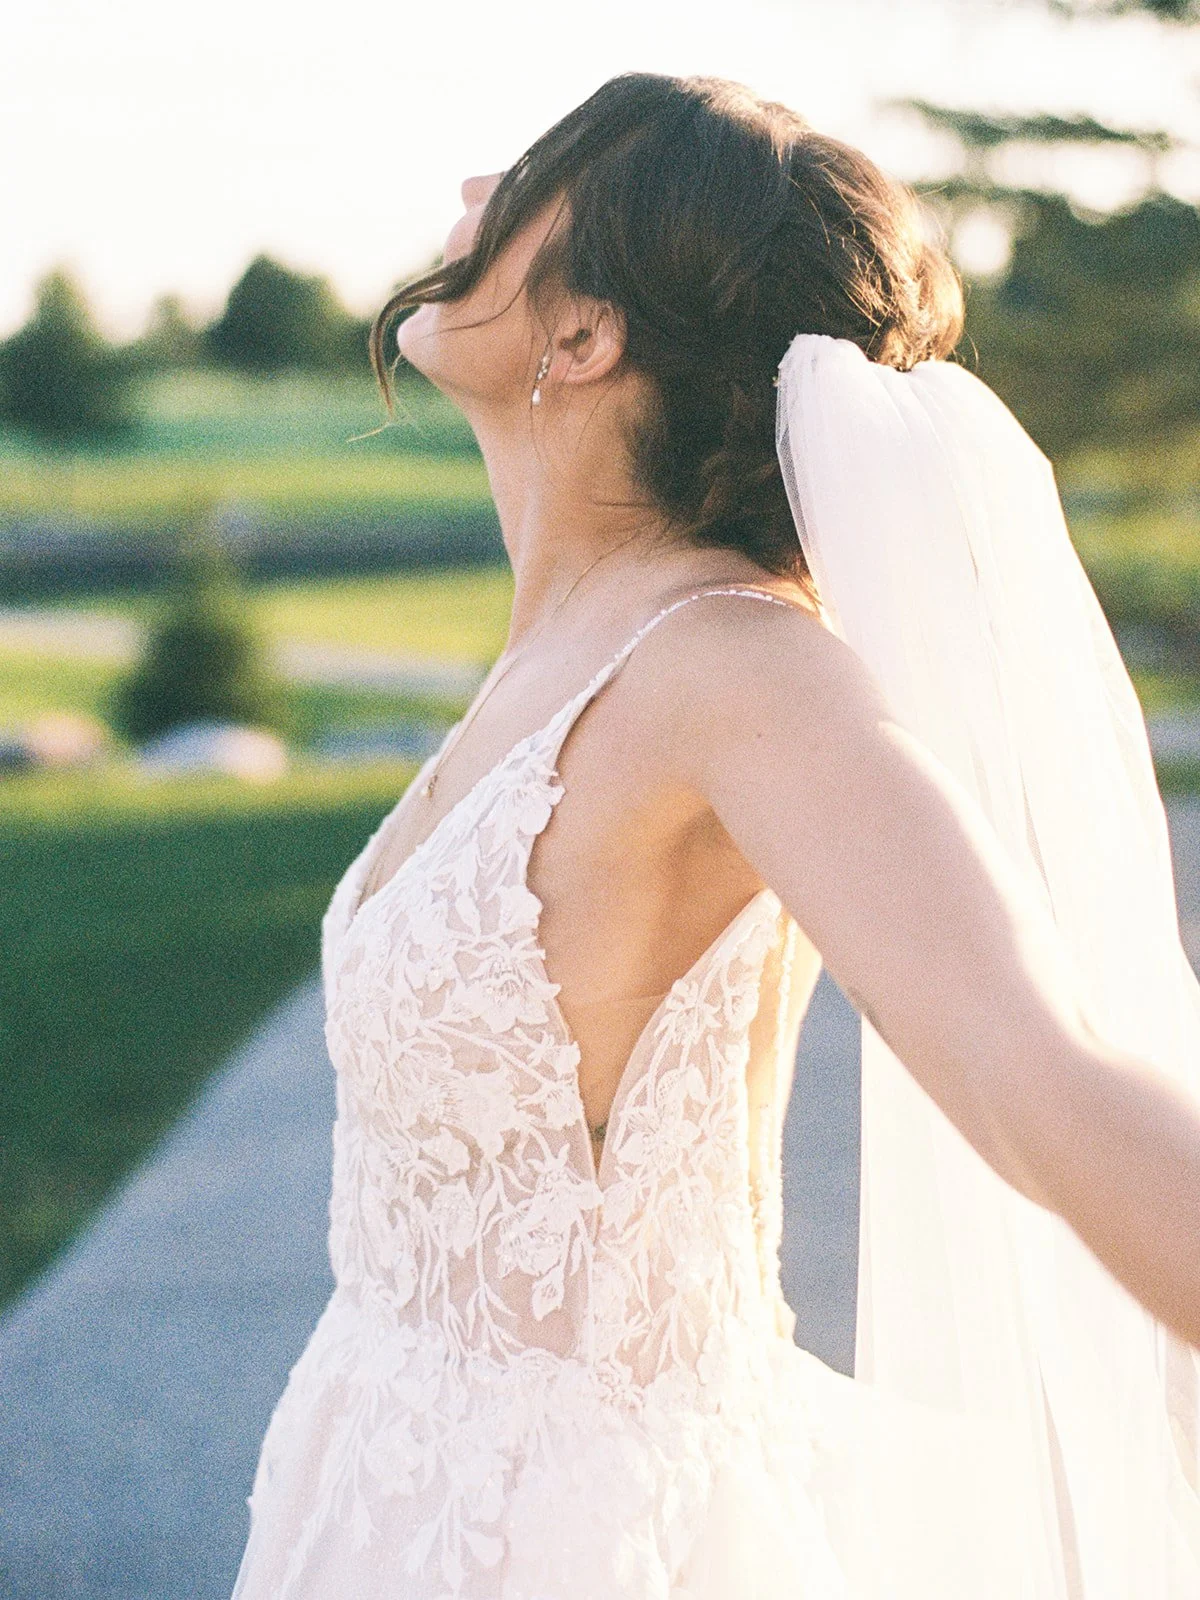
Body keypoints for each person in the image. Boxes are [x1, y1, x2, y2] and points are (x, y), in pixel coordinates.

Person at [230, 73, 1200, 1598]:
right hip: (385, 1485)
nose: (476, 186)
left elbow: (1041, 1078)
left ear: (583, 336)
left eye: (532, 174)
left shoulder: (736, 671)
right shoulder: (568, 646)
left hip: (584, 1540)